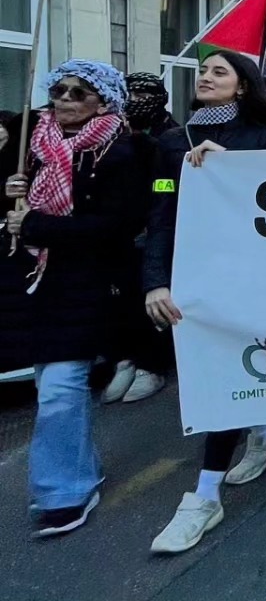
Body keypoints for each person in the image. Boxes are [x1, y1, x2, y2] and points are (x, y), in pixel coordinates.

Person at [145, 51, 266, 555]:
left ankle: (205, 494)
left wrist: (231, 169)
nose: (205, 77)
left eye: (218, 71)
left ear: (243, 87)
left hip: (251, 278)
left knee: (228, 375)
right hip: (196, 279)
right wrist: (155, 282)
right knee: (225, 372)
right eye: (202, 70)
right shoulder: (169, 145)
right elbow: (162, 206)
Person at [2, 61, 146, 537]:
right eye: (58, 90)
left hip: (92, 284)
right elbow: (18, 217)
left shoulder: (124, 150)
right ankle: (80, 472)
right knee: (52, 386)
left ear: (102, 101)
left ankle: (64, 492)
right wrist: (13, 194)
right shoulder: (37, 145)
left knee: (62, 388)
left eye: (77, 92)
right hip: (42, 282)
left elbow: (119, 225)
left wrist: (38, 225)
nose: (63, 99)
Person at [100, 72, 177, 408]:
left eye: (144, 94)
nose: (137, 100)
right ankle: (125, 358)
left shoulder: (171, 135)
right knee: (120, 298)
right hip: (119, 227)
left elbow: (166, 184)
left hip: (154, 226)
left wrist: (155, 206)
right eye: (131, 94)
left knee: (152, 296)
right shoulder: (112, 130)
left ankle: (152, 364)